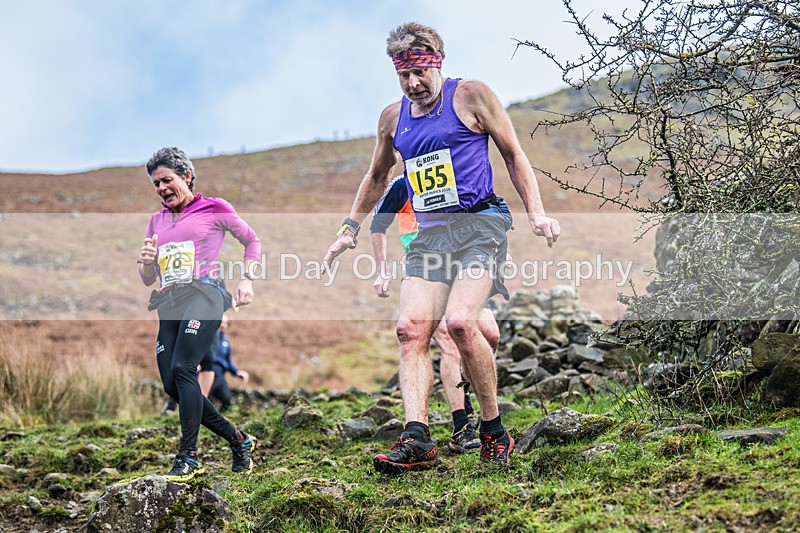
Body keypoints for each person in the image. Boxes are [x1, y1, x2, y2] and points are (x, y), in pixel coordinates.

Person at [324, 22, 560, 474]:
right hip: (430, 237)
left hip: (479, 226)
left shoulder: (471, 96)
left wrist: (537, 212)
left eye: (420, 74)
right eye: (403, 77)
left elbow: (513, 153)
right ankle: (417, 438)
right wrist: (348, 229)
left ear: (437, 62)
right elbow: (376, 178)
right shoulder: (393, 118)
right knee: (410, 329)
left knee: (459, 324)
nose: (413, 85)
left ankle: (492, 430)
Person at [138, 146, 260, 481]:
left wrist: (246, 280)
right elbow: (149, 276)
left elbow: (252, 241)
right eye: (156, 184)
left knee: (183, 367)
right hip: (169, 302)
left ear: (187, 176)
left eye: (167, 180)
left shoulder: (214, 207)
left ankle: (188, 457)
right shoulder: (156, 220)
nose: (161, 189)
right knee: (173, 384)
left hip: (204, 294)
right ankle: (239, 440)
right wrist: (147, 263)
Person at [371, 176, 508, 452]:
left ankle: (468, 392)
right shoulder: (403, 184)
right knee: (450, 342)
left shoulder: (461, 175)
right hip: (427, 273)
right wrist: (381, 269)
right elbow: (378, 224)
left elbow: (491, 212)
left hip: (465, 266)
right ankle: (461, 425)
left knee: (489, 335)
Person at [209, 314, 250, 412]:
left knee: (227, 401)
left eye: (225, 323)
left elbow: (227, 360)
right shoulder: (206, 336)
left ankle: (218, 422)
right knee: (205, 401)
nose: (223, 325)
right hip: (206, 374)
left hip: (220, 377)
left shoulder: (225, 340)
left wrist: (237, 372)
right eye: (221, 322)